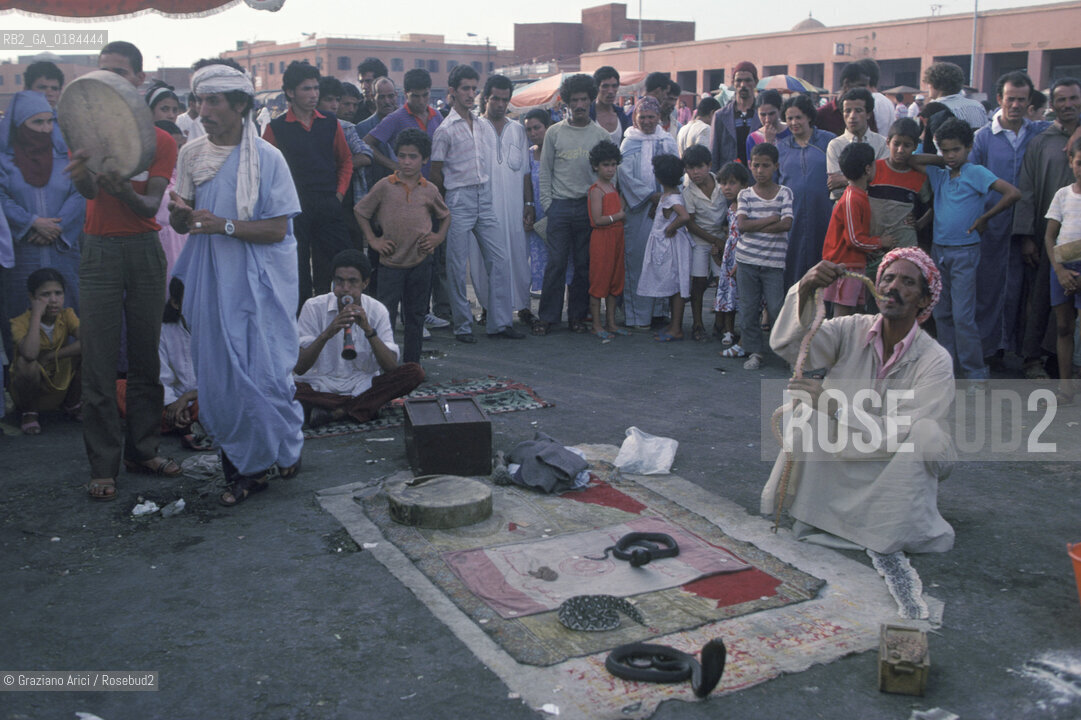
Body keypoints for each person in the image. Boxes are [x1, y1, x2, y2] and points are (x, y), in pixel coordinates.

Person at [169, 60, 305, 507]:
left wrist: (224, 226)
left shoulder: (268, 159)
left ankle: (282, 446)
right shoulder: (191, 154)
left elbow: (277, 230)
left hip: (258, 283)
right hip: (210, 278)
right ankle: (247, 469)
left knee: (263, 371)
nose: (202, 109)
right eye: (198, 100)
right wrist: (179, 216)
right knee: (219, 374)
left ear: (241, 105)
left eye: (213, 100)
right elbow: (187, 218)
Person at [761, 248, 956, 555]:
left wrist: (837, 408)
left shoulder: (935, 360)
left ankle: (882, 528)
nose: (894, 287)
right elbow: (793, 346)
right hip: (846, 445)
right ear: (877, 288)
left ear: (922, 300)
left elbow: (904, 431)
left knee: (926, 434)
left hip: (892, 459)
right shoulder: (851, 328)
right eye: (888, 279)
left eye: (907, 282)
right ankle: (820, 515)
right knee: (806, 406)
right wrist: (806, 288)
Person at [66, 41, 180, 501]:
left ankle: (143, 449)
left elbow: (151, 205)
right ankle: (103, 465)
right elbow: (84, 190)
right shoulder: (86, 132)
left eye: (118, 72)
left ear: (137, 80)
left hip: (143, 248)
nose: (109, 79)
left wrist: (123, 191)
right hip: (98, 251)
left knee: (146, 359)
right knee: (97, 362)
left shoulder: (162, 140)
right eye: (102, 71)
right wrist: (81, 172)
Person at [915, 118, 1021, 382]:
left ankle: (975, 373)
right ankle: (948, 371)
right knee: (942, 313)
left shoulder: (976, 172)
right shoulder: (940, 174)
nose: (951, 156)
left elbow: (1012, 193)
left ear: (969, 147)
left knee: (963, 316)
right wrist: (944, 159)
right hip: (940, 251)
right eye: (946, 150)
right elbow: (915, 160)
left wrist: (985, 218)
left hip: (965, 251)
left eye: (956, 150)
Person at [431, 65, 522, 342]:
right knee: (457, 266)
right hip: (458, 199)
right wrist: (441, 208)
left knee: (500, 259)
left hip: (485, 196)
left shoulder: (482, 125)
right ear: (453, 92)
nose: (471, 94)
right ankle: (463, 326)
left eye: (474, 89)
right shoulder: (444, 130)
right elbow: (435, 174)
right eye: (465, 89)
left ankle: (500, 323)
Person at [967, 71, 1049, 362]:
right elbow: (970, 180)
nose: (1015, 105)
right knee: (986, 288)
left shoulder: (1039, 133)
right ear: (1000, 98)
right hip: (990, 224)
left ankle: (1016, 350)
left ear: (1029, 102)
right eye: (1010, 99)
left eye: (1021, 100)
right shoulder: (983, 138)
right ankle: (987, 350)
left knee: (1018, 290)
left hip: (1026, 226)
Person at [294, 249, 425, 427]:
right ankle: (359, 408)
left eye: (353, 281)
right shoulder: (313, 307)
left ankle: (335, 411)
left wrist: (368, 330)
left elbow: (391, 367)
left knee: (414, 372)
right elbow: (300, 368)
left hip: (362, 386)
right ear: (333, 281)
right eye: (339, 281)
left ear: (365, 283)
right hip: (318, 385)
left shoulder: (377, 310)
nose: (345, 288)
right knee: (277, 385)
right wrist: (327, 333)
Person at [355, 129, 450, 363]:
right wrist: (374, 241)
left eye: (413, 156)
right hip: (390, 263)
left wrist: (437, 238)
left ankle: (412, 365)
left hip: (421, 262)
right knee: (384, 315)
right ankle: (383, 363)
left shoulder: (429, 189)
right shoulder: (384, 186)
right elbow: (360, 211)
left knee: (416, 316)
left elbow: (445, 216)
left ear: (425, 159)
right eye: (402, 155)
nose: (407, 161)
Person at [263, 61, 353, 305]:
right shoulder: (275, 128)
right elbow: (266, 173)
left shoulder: (330, 123)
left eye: (315, 88)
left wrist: (339, 196)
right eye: (306, 89)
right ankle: (300, 332)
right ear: (290, 92)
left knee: (340, 264)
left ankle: (337, 321)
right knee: (296, 269)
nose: (314, 94)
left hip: (328, 203)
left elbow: (345, 161)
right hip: (293, 209)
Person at [1013, 78, 1081, 379]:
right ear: (1052, 105)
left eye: (1073, 99)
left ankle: (1064, 363)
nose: (1068, 105)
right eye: (1061, 100)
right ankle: (1033, 358)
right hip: (1049, 236)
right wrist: (1027, 236)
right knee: (1041, 298)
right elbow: (1026, 189)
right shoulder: (1041, 142)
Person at [535, 74, 610, 336]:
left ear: (590, 100)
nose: (579, 104)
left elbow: (610, 175)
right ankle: (547, 317)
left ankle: (578, 316)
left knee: (583, 265)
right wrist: (548, 206)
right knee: (555, 263)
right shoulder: (554, 133)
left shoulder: (601, 136)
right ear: (566, 102)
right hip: (560, 207)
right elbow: (545, 172)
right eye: (574, 100)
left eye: (584, 100)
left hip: (588, 209)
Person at [0, 90, 85, 321]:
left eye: (50, 121)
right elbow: (2, 197)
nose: (46, 129)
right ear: (19, 124)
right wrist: (31, 223)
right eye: (37, 122)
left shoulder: (65, 157)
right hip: (22, 250)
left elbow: (80, 193)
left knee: (67, 315)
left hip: (62, 248)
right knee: (20, 315)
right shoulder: (4, 161)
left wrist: (57, 227)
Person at [721, 143, 793, 370]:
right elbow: (742, 225)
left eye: (766, 165)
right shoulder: (745, 194)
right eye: (756, 165)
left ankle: (789, 353)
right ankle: (755, 352)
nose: (760, 170)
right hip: (747, 261)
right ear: (750, 166)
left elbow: (787, 224)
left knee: (776, 309)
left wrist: (757, 225)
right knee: (749, 309)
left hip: (773, 263)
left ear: (776, 166)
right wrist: (771, 219)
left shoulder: (785, 193)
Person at [469, 74, 533, 327]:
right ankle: (488, 307)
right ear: (485, 97)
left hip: (515, 208)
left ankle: (524, 306)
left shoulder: (517, 130)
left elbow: (526, 172)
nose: (500, 104)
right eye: (495, 98)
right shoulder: (473, 127)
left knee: (518, 254)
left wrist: (529, 205)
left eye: (505, 100)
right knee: (483, 259)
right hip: (484, 208)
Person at [618, 96, 679, 330]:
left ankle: (658, 312)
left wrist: (664, 197)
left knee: (661, 259)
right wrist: (648, 196)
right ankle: (637, 315)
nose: (646, 121)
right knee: (637, 260)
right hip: (638, 212)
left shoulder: (667, 141)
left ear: (659, 118)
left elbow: (675, 172)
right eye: (642, 117)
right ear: (635, 118)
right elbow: (624, 176)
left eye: (651, 116)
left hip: (663, 210)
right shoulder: (628, 143)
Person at [821, 143, 894, 316]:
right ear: (868, 169)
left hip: (854, 264)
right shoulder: (852, 198)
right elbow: (854, 239)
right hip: (845, 266)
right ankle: (838, 344)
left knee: (856, 314)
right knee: (843, 317)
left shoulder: (857, 195)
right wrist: (880, 242)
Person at [9, 267, 80, 435]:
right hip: (30, 390)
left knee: (89, 353)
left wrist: (52, 356)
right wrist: (36, 315)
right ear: (32, 297)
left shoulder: (67, 315)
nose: (53, 300)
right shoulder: (19, 322)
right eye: (45, 295)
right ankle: (29, 413)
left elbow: (89, 342)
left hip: (59, 382)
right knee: (26, 364)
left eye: (58, 293)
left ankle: (72, 404)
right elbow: (30, 354)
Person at [776, 94, 835, 289]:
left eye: (798, 117)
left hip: (824, 215)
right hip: (793, 218)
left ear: (809, 116)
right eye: (789, 118)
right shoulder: (781, 148)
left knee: (823, 265)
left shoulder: (829, 142)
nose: (794, 122)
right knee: (793, 267)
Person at [638, 153, 693, 342]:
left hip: (671, 247)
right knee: (672, 285)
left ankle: (676, 327)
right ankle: (673, 325)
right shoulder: (669, 195)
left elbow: (684, 217)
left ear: (659, 177)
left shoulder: (672, 199)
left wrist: (670, 227)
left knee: (676, 286)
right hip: (667, 246)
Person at [1044, 138, 1081, 402]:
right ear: (1071, 163)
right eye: (1080, 162)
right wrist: (1059, 271)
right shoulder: (1063, 195)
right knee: (1064, 327)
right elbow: (1049, 237)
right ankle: (1065, 387)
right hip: (1063, 267)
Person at [682, 144, 726, 341]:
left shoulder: (723, 183)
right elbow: (690, 224)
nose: (695, 172)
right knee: (699, 282)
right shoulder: (688, 192)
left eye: (699, 167)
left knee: (722, 282)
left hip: (723, 239)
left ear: (709, 165)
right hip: (699, 241)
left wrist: (722, 240)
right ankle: (697, 323)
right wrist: (713, 240)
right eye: (690, 168)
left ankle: (721, 322)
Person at [586, 139, 627, 340]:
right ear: (596, 166)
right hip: (602, 240)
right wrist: (618, 216)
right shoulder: (596, 190)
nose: (610, 169)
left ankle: (611, 322)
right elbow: (597, 220)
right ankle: (596, 324)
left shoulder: (612, 187)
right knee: (599, 280)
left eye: (613, 165)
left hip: (617, 237)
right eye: (606, 165)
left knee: (615, 281)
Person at [826, 88, 888, 201]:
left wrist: (844, 180)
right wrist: (868, 178)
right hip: (844, 209)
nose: (852, 116)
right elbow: (836, 190)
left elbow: (883, 182)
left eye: (858, 110)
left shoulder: (882, 143)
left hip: (876, 211)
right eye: (847, 111)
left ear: (868, 114)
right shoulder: (835, 145)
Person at [157, 276, 199, 443]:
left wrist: (188, 397)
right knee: (120, 390)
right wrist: (173, 404)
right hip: (172, 404)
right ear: (175, 303)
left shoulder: (221, 329)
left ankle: (183, 424)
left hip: (203, 402)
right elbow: (160, 378)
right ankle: (186, 423)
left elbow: (224, 384)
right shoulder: (164, 330)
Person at [713, 162, 751, 345]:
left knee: (744, 296)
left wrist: (740, 261)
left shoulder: (748, 206)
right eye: (723, 183)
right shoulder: (730, 207)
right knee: (728, 293)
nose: (727, 187)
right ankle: (728, 331)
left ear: (744, 185)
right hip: (730, 255)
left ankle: (746, 332)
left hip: (744, 255)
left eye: (732, 183)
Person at [523, 109, 553, 296]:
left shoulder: (556, 152)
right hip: (537, 216)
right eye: (528, 129)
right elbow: (527, 181)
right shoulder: (528, 155)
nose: (533, 133)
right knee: (539, 259)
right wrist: (529, 206)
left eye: (537, 128)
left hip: (555, 214)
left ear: (547, 127)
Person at [711, 61, 760, 170]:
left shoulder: (763, 115)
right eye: (739, 80)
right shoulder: (721, 116)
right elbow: (714, 154)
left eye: (748, 80)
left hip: (758, 178)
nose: (743, 85)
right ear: (733, 83)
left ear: (756, 82)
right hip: (730, 179)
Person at [923, 61, 988, 130]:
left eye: (929, 82)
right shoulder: (977, 105)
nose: (928, 86)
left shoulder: (934, 108)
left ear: (936, 83)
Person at [816, 63, 872, 137]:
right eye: (862, 85)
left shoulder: (866, 112)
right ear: (846, 83)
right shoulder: (821, 115)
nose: (866, 90)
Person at [745, 90, 790, 161]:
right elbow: (754, 168)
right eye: (763, 115)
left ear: (780, 110)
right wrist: (768, 143)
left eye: (771, 114)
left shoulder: (791, 131)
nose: (767, 119)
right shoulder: (753, 138)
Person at [590, 66, 631, 145]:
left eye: (614, 86)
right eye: (605, 86)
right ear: (597, 87)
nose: (610, 91)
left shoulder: (622, 116)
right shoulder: (587, 115)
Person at [355, 57, 389, 123]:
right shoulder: (355, 110)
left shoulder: (394, 111)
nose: (364, 86)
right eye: (361, 82)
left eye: (368, 81)